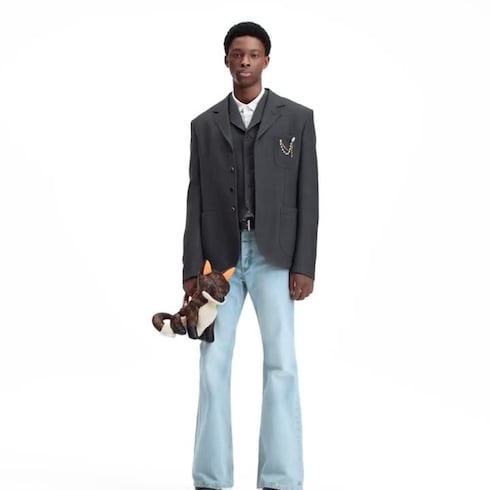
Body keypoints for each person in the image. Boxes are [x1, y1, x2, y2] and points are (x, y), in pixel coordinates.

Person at [182, 21, 319, 490]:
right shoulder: (204, 125)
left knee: (281, 363)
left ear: (266, 60)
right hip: (218, 263)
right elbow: (195, 199)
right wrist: (191, 270)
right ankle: (211, 480)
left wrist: (304, 264)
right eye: (237, 54)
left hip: (274, 256)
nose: (244, 61)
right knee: (212, 365)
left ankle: (280, 480)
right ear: (226, 60)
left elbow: (308, 195)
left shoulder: (297, 119)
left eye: (253, 54)